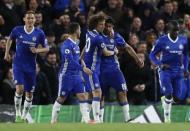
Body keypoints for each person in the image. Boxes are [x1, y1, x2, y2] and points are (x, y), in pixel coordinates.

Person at [4, 10, 49, 122]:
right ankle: (18, 113)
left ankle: (24, 115)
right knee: (19, 89)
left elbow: (47, 48)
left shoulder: (39, 33)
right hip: (18, 64)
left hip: (31, 66)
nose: (30, 20)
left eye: (32, 18)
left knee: (29, 93)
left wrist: (37, 50)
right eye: (28, 18)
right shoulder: (17, 30)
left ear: (35, 20)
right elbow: (9, 39)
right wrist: (7, 53)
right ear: (24, 19)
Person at [99, 17, 144, 122]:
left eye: (110, 26)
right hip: (100, 70)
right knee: (100, 96)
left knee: (123, 91)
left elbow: (127, 47)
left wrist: (137, 59)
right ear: (103, 25)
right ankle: (99, 121)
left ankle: (127, 119)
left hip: (114, 70)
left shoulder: (116, 36)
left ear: (113, 27)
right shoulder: (98, 36)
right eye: (107, 26)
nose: (108, 28)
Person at [51, 22, 92, 124]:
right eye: (79, 29)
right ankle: (53, 120)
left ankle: (87, 121)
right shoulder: (66, 45)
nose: (80, 31)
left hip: (76, 75)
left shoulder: (76, 45)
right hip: (66, 75)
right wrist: (83, 69)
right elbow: (70, 61)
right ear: (76, 31)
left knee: (82, 96)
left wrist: (83, 65)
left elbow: (77, 59)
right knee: (62, 97)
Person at [149, 21, 189, 123]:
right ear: (169, 30)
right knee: (169, 94)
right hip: (165, 70)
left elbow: (186, 56)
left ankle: (166, 100)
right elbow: (152, 55)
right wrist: (160, 64)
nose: (176, 32)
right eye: (174, 30)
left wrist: (186, 69)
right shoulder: (162, 40)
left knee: (177, 98)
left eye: (177, 30)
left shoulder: (183, 40)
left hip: (178, 71)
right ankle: (167, 119)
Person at [81, 14, 115, 123]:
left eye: (104, 24)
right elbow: (105, 53)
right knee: (97, 92)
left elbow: (85, 48)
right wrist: (115, 51)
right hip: (92, 68)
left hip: (91, 67)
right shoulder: (98, 38)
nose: (103, 26)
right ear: (95, 25)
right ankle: (96, 119)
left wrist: (81, 60)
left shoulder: (89, 34)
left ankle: (84, 119)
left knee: (91, 93)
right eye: (101, 24)